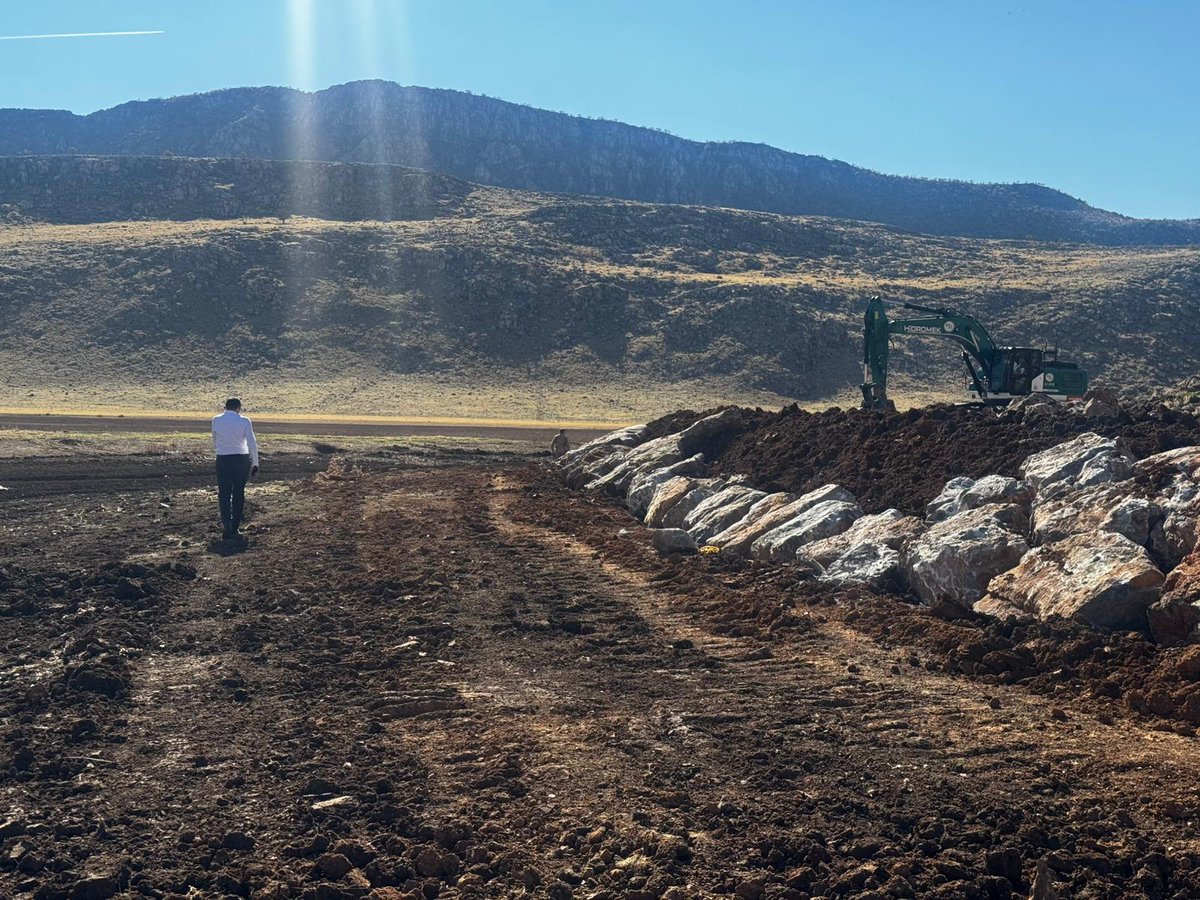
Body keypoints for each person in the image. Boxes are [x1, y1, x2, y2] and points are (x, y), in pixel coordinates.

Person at [212, 398, 259, 540]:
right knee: (239, 493)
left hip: (223, 458)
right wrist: (255, 463)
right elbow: (252, 442)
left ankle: (226, 523)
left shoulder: (216, 420)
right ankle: (235, 527)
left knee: (224, 493)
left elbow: (215, 439)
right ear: (239, 408)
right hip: (241, 459)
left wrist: (221, 450)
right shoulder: (244, 421)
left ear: (225, 407)